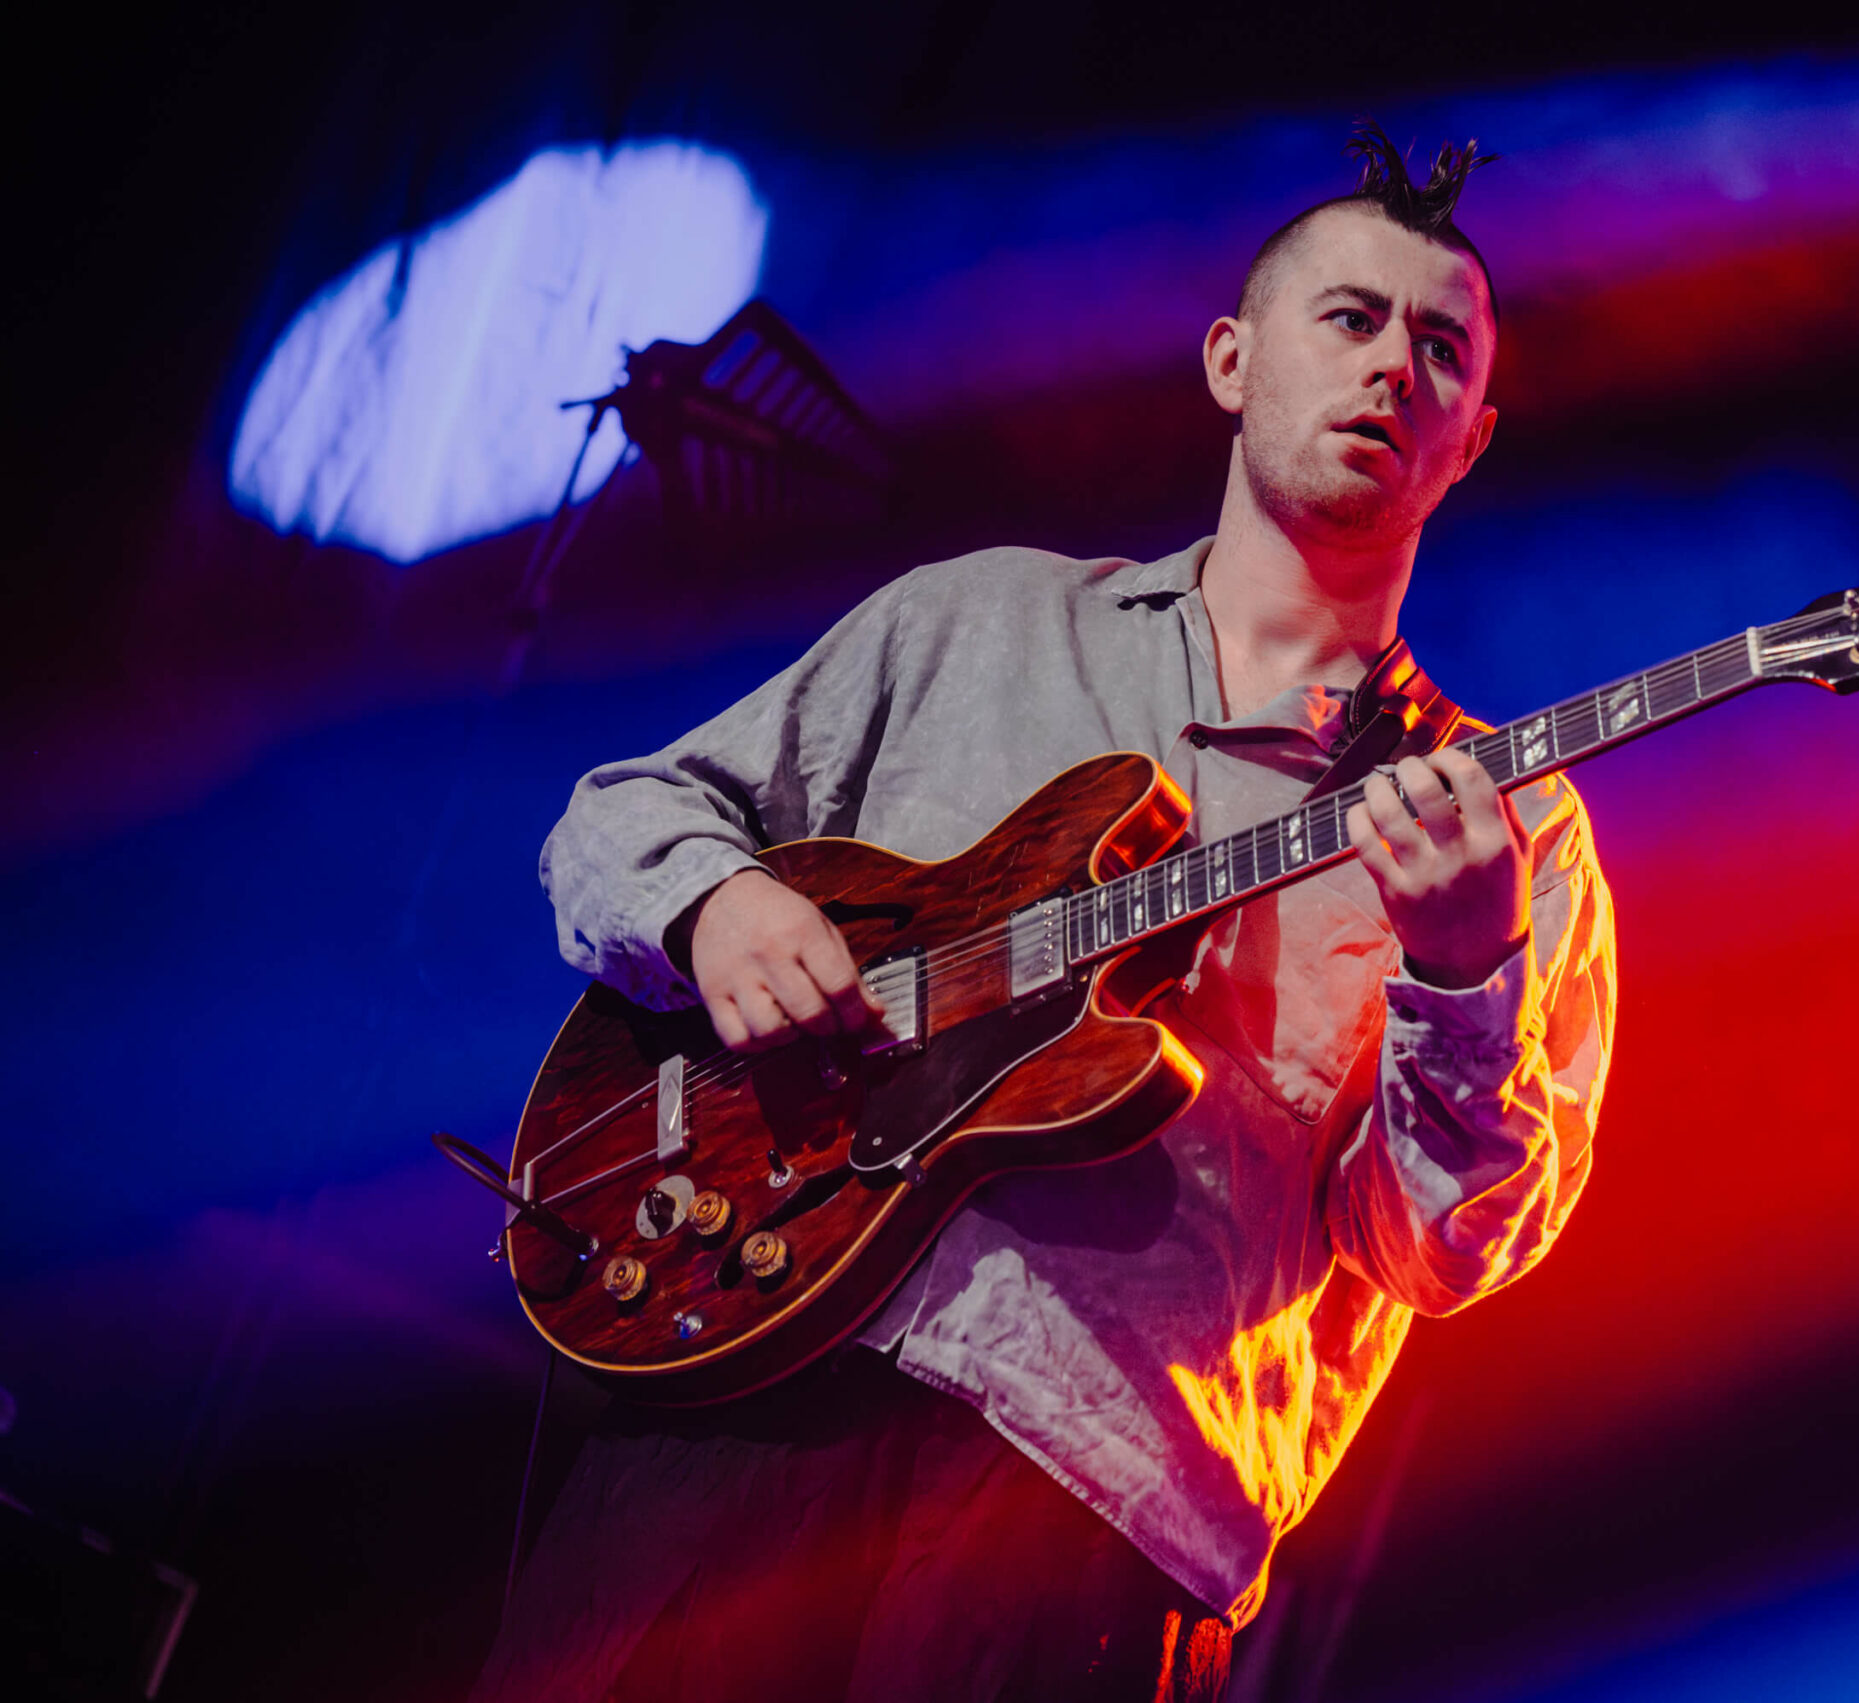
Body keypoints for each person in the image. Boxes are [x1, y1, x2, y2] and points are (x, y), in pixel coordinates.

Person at [475, 123, 1617, 1703]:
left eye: (1439, 350)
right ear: (1231, 361)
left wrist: (1466, 970)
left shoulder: (1512, 832)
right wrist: (718, 908)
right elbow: (616, 820)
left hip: (1080, 1528)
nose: (1391, 369)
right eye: (1350, 318)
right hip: (743, 1381)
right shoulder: (983, 618)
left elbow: (1438, 1254)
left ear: (1471, 440)